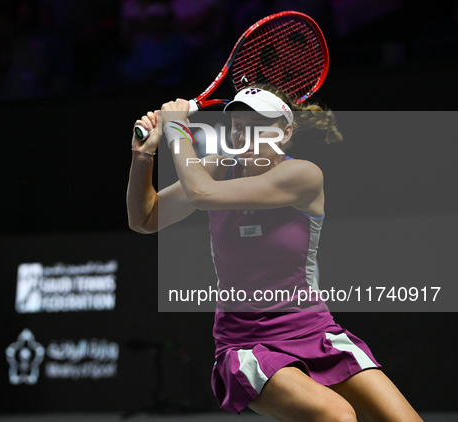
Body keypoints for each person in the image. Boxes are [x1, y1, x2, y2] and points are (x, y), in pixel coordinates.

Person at [126, 84, 423, 421]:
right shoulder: (219, 167)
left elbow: (201, 194)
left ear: (284, 132)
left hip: (314, 330)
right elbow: (145, 218)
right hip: (246, 343)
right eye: (238, 127)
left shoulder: (303, 175)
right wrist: (143, 155)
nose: (245, 135)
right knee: (336, 416)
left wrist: (177, 130)